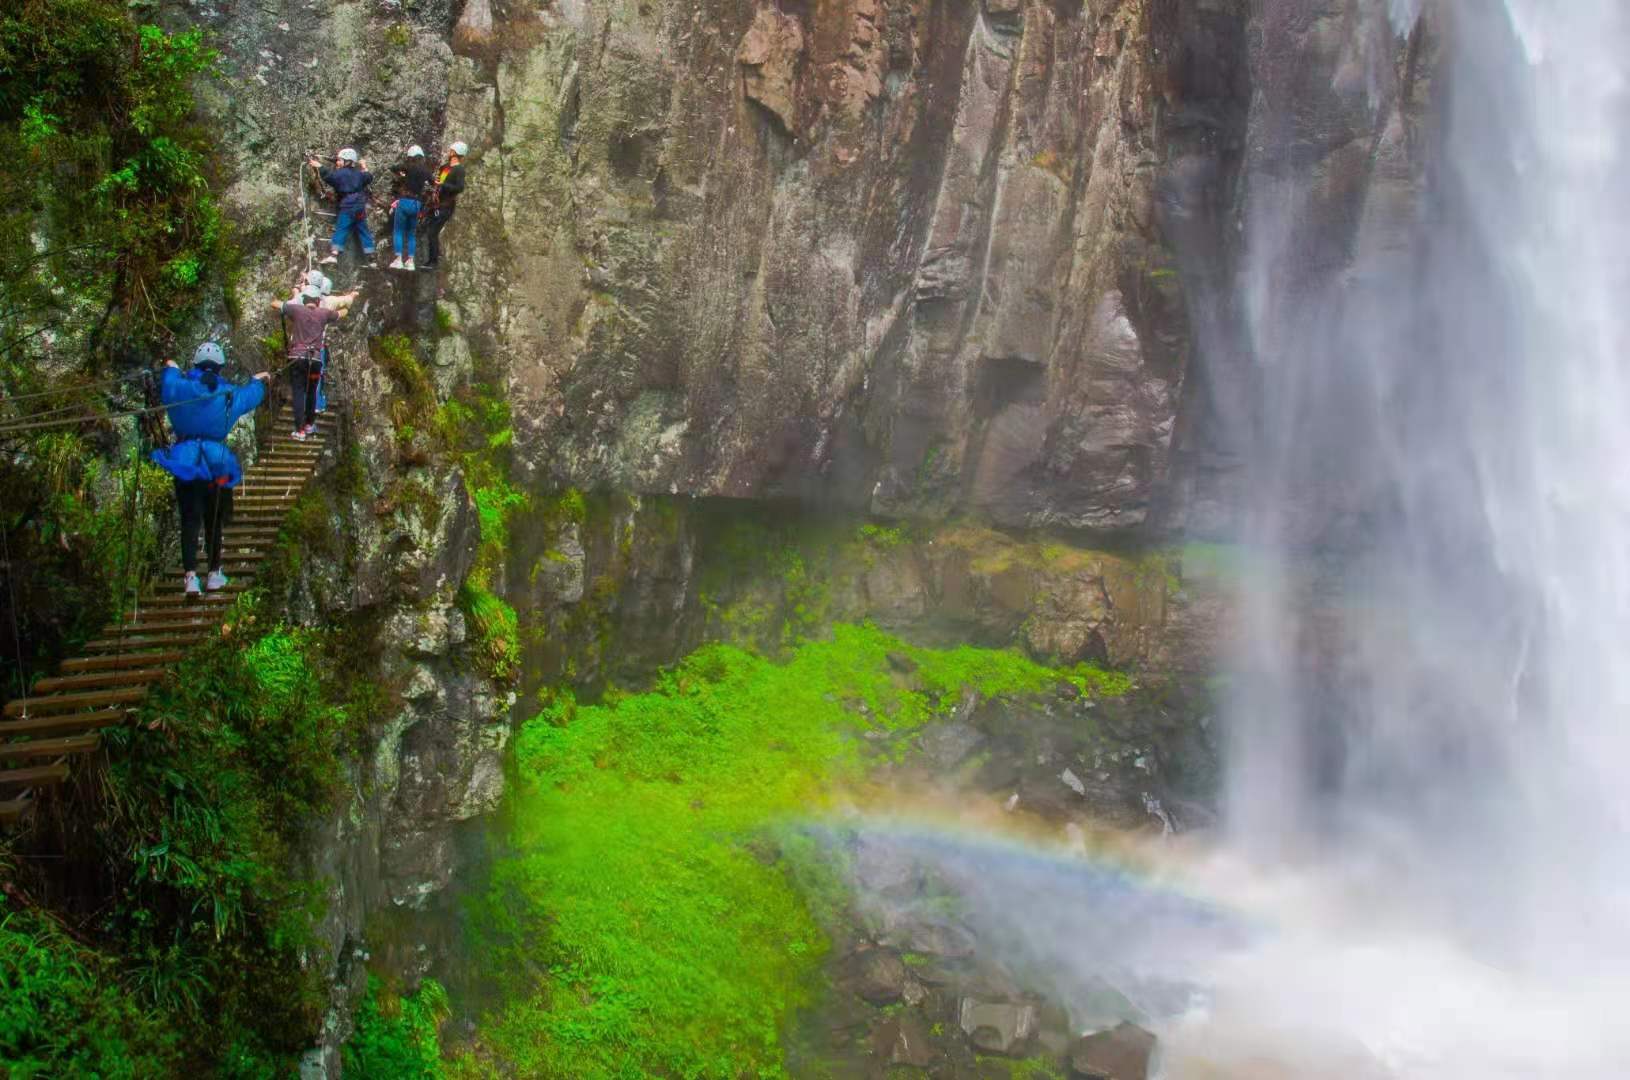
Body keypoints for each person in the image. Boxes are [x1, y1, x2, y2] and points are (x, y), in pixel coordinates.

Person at [151, 343, 270, 596]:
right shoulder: (227, 393)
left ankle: (190, 579)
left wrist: (170, 368)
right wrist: (257, 382)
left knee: (190, 519)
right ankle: (214, 574)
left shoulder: (180, 387)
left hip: (185, 461)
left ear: (195, 364)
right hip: (217, 463)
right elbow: (249, 396)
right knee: (214, 519)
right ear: (220, 367)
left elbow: (168, 384)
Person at [272, 283, 344, 439]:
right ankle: (309, 424)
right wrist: (348, 302)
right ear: (318, 300)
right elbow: (341, 313)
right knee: (311, 392)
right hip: (315, 361)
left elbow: (275, 304)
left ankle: (299, 430)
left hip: (297, 359)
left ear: (304, 299)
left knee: (298, 392)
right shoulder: (324, 313)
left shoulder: (296, 310)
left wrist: (292, 298)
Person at [283, 270, 360, 414]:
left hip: (298, 348)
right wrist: (352, 295)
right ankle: (316, 405)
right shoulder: (329, 301)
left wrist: (296, 290)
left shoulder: (302, 298)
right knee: (315, 379)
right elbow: (346, 301)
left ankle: (303, 406)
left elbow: (289, 304)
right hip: (317, 348)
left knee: (300, 380)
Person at [308, 148, 375, 267]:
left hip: (348, 206)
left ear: (347, 161)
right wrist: (364, 166)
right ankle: (371, 256)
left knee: (341, 228)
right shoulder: (359, 174)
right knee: (363, 229)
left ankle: (334, 255)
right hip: (359, 206)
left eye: (339, 160)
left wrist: (319, 166)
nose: (337, 163)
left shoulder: (341, 173)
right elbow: (368, 177)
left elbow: (330, 177)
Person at [421, 141, 468, 270]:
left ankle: (433, 261)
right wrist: (436, 185)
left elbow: (459, 187)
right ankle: (433, 259)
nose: (449, 151)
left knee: (432, 232)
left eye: (451, 150)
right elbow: (438, 182)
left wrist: (443, 185)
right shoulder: (444, 167)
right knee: (429, 230)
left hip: (446, 206)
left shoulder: (459, 170)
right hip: (437, 204)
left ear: (455, 153)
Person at [387, 145, 432, 271]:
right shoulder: (426, 171)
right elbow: (433, 182)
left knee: (398, 231)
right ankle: (410, 262)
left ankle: (398, 260)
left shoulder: (408, 167)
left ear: (411, 157)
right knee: (411, 233)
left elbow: (394, 168)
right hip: (417, 204)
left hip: (405, 202)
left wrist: (402, 173)